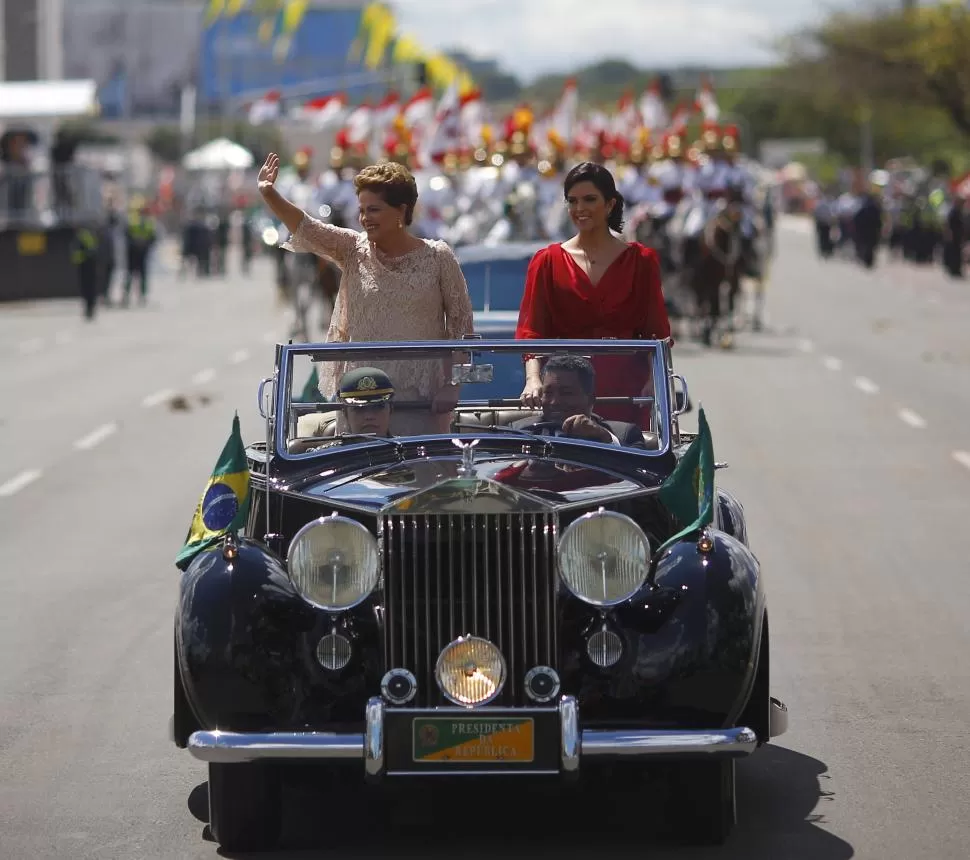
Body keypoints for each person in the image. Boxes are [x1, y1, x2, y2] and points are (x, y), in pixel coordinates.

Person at [257, 152, 474, 435]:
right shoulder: (352, 249)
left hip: (419, 405)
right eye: (361, 210)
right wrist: (269, 193)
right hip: (360, 402)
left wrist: (452, 387)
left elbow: (462, 330)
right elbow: (308, 228)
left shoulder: (438, 258)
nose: (364, 219)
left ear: (401, 211)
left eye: (374, 210)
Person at [515, 161, 671, 428]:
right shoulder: (547, 261)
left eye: (589, 199)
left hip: (626, 392)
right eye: (572, 201)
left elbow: (657, 332)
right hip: (567, 389)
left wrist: (653, 383)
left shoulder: (641, 260)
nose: (580, 209)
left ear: (610, 204)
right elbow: (531, 331)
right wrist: (533, 379)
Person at [511, 354, 645, 448]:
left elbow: (639, 472)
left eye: (566, 393)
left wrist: (604, 438)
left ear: (591, 400)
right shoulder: (518, 431)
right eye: (548, 393)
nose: (554, 402)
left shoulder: (625, 434)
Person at [291, 366, 395, 453]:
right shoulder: (329, 456)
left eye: (377, 407)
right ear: (345, 413)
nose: (369, 416)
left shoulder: (407, 452)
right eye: (359, 409)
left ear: (391, 409)